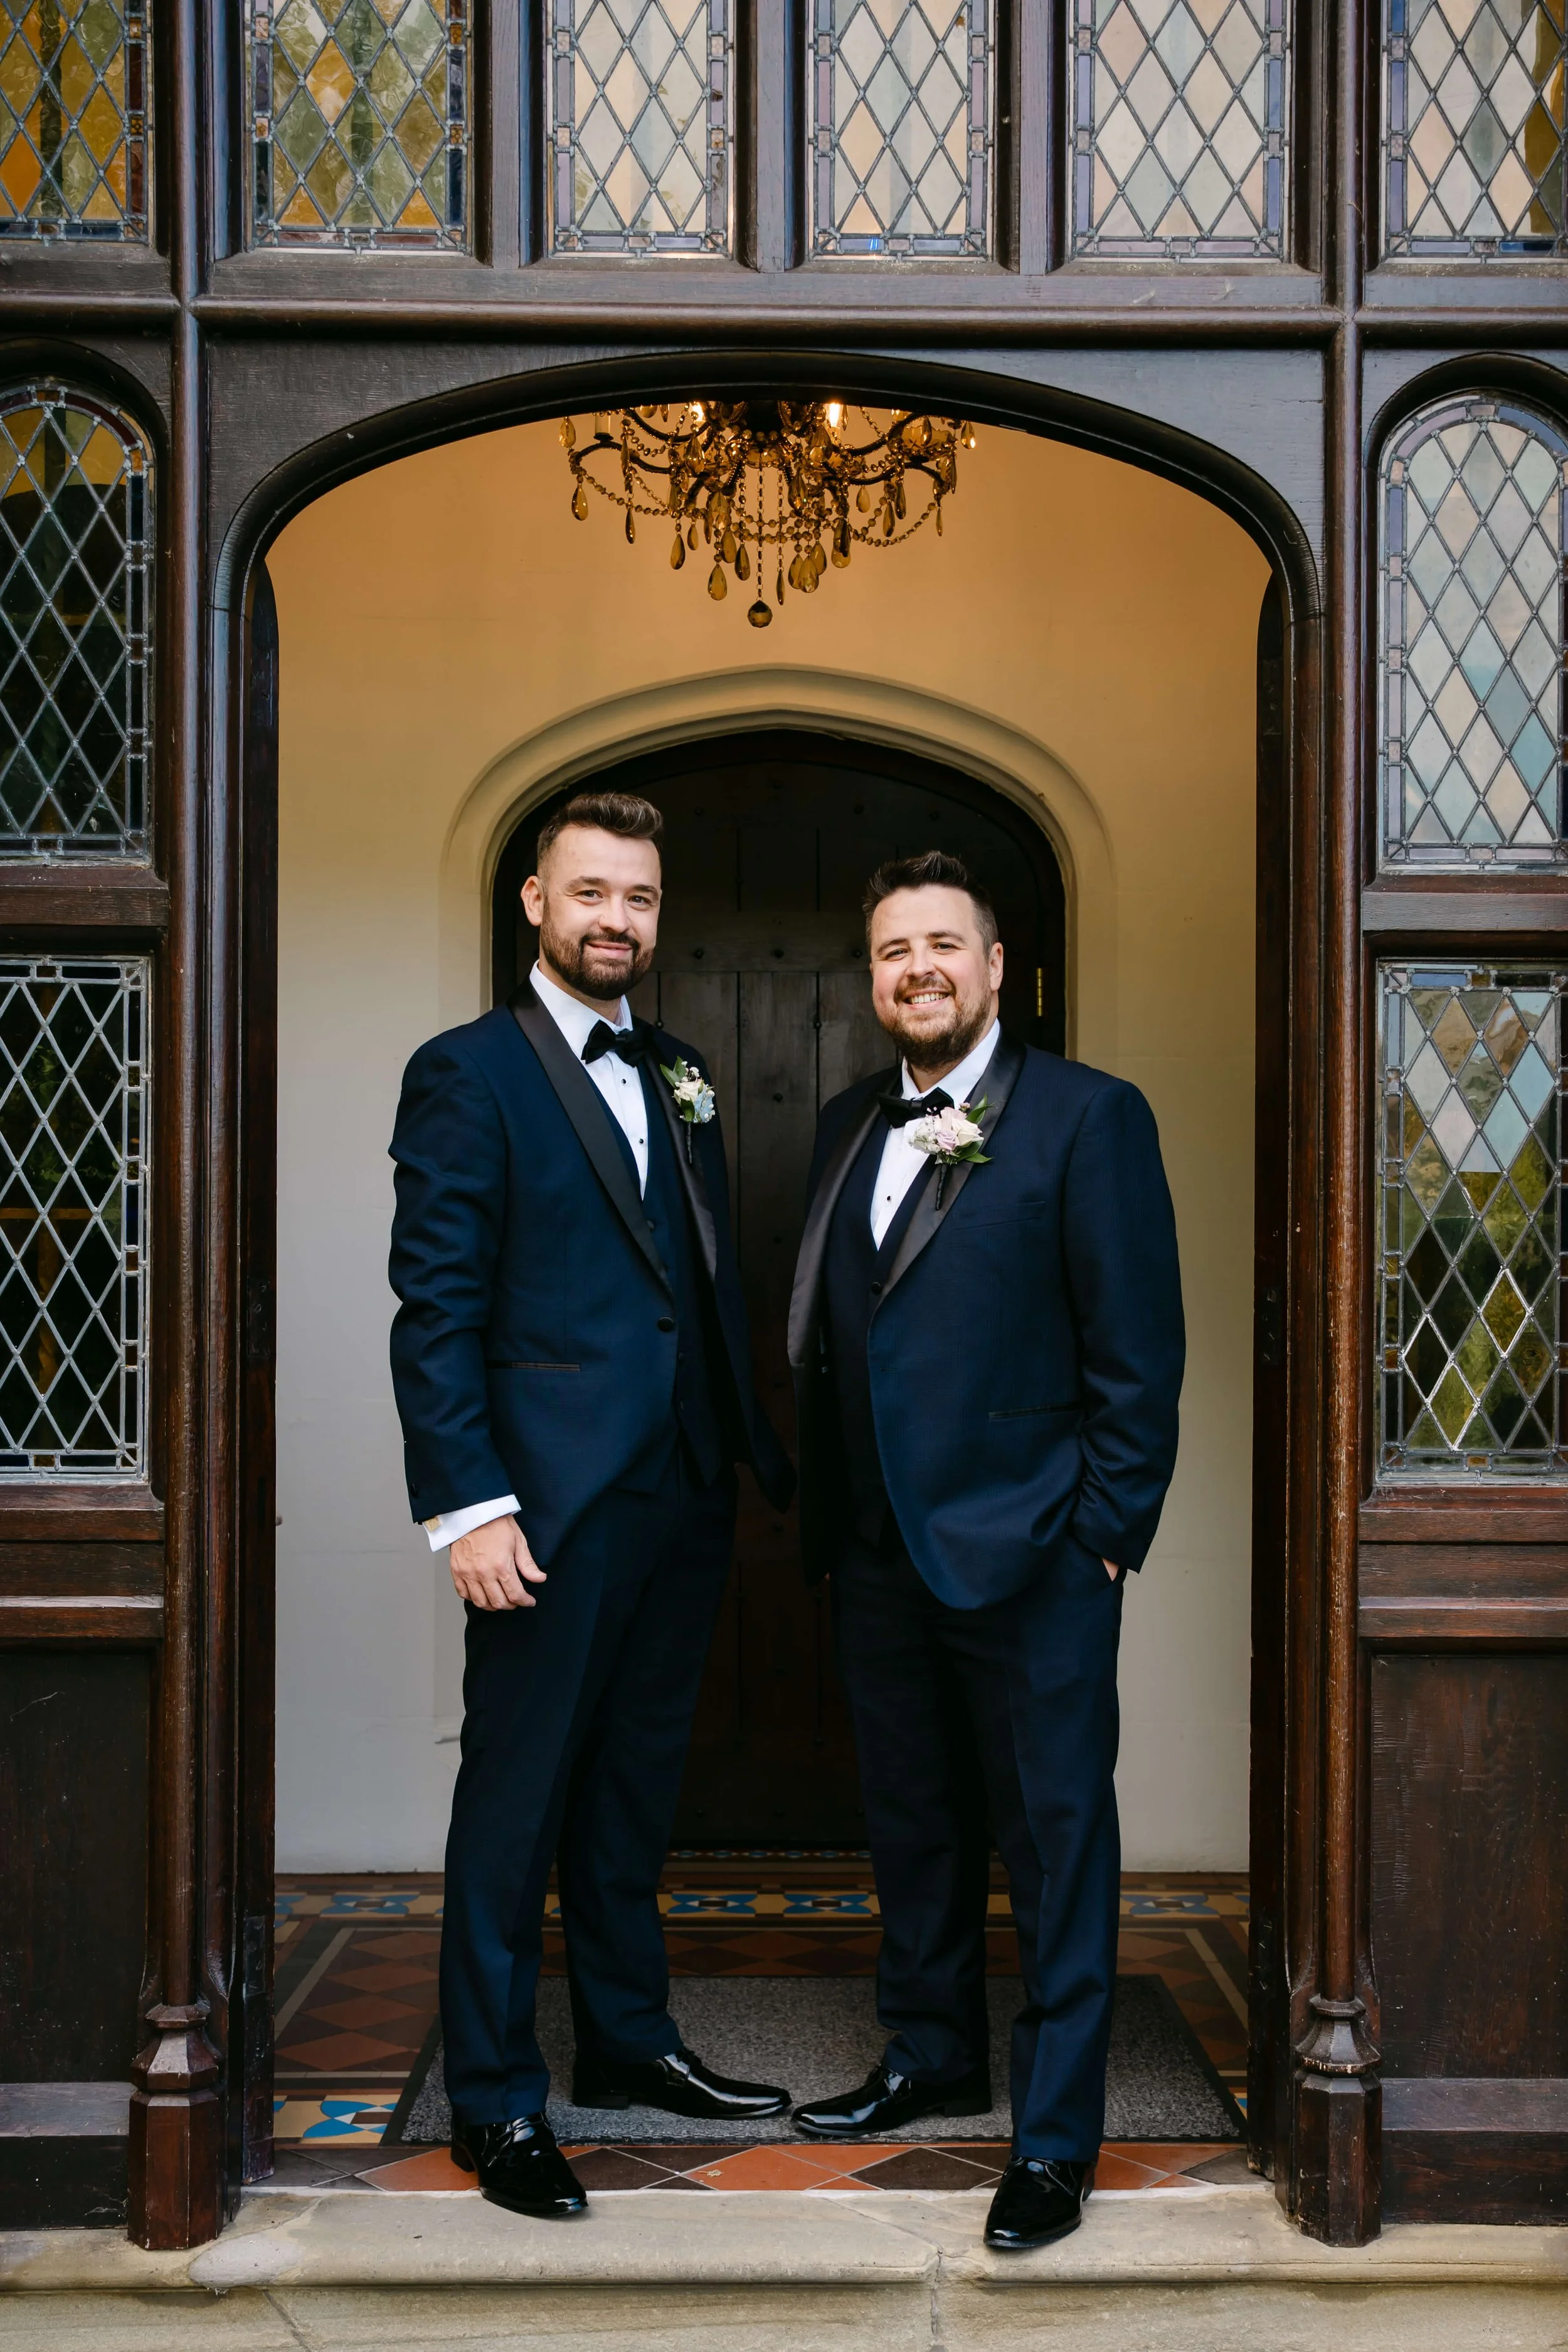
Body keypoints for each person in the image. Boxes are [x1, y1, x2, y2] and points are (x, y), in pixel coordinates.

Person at [388, 790, 795, 2222]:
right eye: (590, 893)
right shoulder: (465, 1073)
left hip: (680, 1496)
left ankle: (625, 2045)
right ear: (534, 903)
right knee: (514, 1806)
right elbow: (432, 1311)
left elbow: (688, 1281)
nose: (616, 918)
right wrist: (467, 1508)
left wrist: (738, 1459)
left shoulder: (677, 1066)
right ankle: (497, 2102)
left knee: (631, 1799)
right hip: (539, 1511)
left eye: (638, 898)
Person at [786, 850, 1184, 2250]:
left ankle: (1055, 2136)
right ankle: (930, 2049)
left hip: (1036, 1562)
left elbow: (1137, 1361)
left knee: (1055, 1842)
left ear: (996, 963)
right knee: (914, 1826)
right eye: (892, 950)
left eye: (942, 945)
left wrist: (1100, 1543)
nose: (917, 971)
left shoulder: (1086, 1119)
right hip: (881, 1557)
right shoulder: (847, 1122)